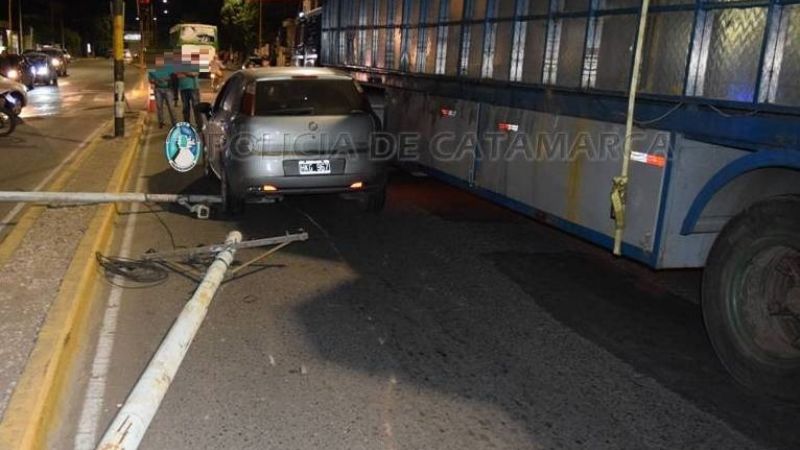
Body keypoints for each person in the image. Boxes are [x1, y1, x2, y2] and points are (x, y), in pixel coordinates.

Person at [148, 53, 176, 129]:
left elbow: (173, 77)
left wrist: (166, 80)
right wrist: (156, 81)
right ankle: (161, 122)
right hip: (158, 90)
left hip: (168, 89)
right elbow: (150, 79)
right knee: (159, 107)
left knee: (171, 107)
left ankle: (174, 122)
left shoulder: (168, 67)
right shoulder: (152, 69)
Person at [176, 52, 201, 125]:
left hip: (193, 88)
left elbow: (195, 73)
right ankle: (187, 125)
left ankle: (200, 125)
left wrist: (184, 72)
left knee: (196, 108)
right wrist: (188, 73)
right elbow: (178, 75)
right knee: (185, 108)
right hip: (183, 88)